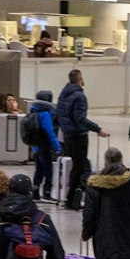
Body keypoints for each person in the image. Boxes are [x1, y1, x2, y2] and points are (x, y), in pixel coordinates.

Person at [55, 70, 105, 211]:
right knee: (80, 167)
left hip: (67, 134)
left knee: (74, 166)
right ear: (80, 79)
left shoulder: (63, 94)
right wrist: (97, 129)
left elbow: (59, 114)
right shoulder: (80, 96)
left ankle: (70, 195)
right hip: (78, 135)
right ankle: (72, 198)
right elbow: (80, 119)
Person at [27, 90, 63, 203]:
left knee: (38, 171)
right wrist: (57, 147)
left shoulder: (33, 112)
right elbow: (50, 132)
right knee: (48, 170)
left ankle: (35, 193)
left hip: (36, 147)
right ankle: (47, 193)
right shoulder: (45, 114)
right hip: (44, 147)